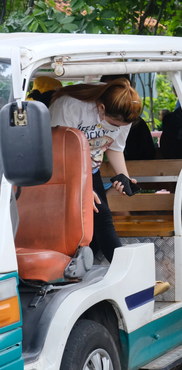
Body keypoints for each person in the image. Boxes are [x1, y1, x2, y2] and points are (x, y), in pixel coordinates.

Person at [49, 78, 142, 263]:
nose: (117, 129)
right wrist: (81, 189)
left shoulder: (126, 111)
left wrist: (124, 176)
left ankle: (79, 271)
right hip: (58, 169)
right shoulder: (71, 106)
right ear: (100, 108)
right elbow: (56, 151)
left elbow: (115, 147)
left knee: (96, 225)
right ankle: (124, 271)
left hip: (89, 170)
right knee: (101, 217)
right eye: (114, 125)